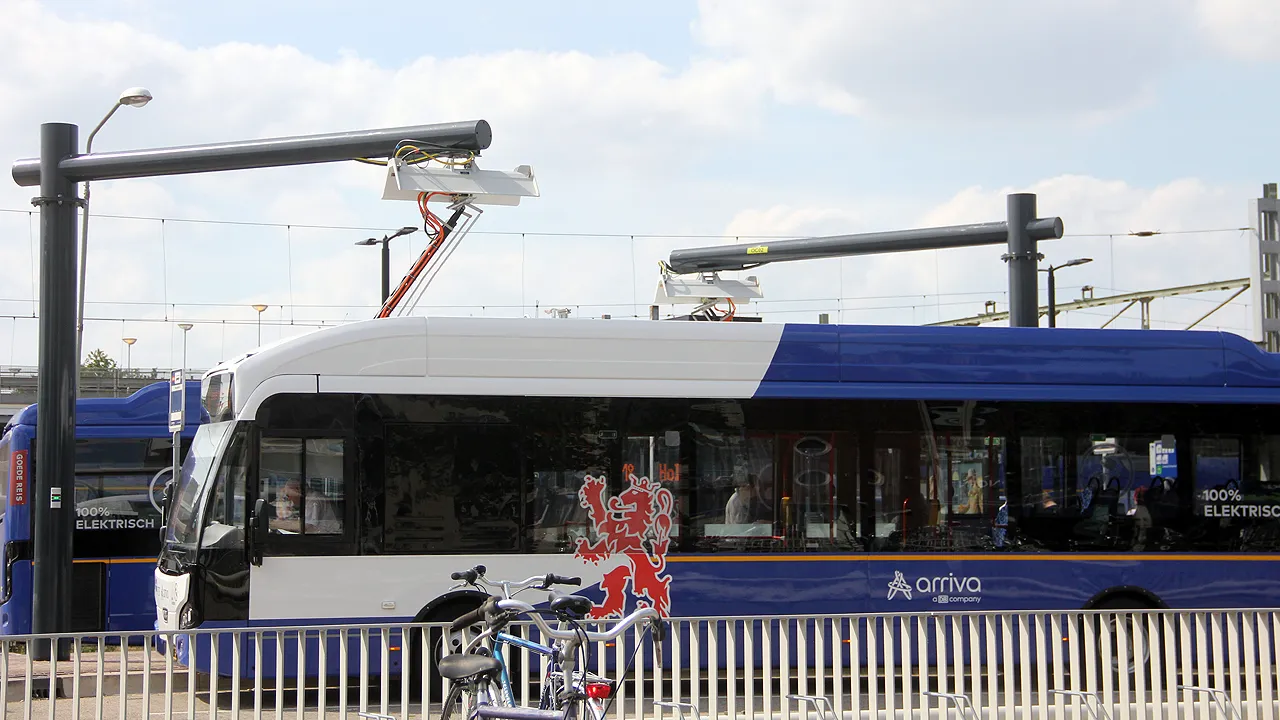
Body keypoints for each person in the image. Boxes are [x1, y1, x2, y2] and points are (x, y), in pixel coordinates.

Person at [272, 477, 342, 534]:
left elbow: (306, 526)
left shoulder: (313, 499)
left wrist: (276, 524)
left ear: (298, 489)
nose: (289, 498)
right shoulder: (308, 499)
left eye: (289, 495)